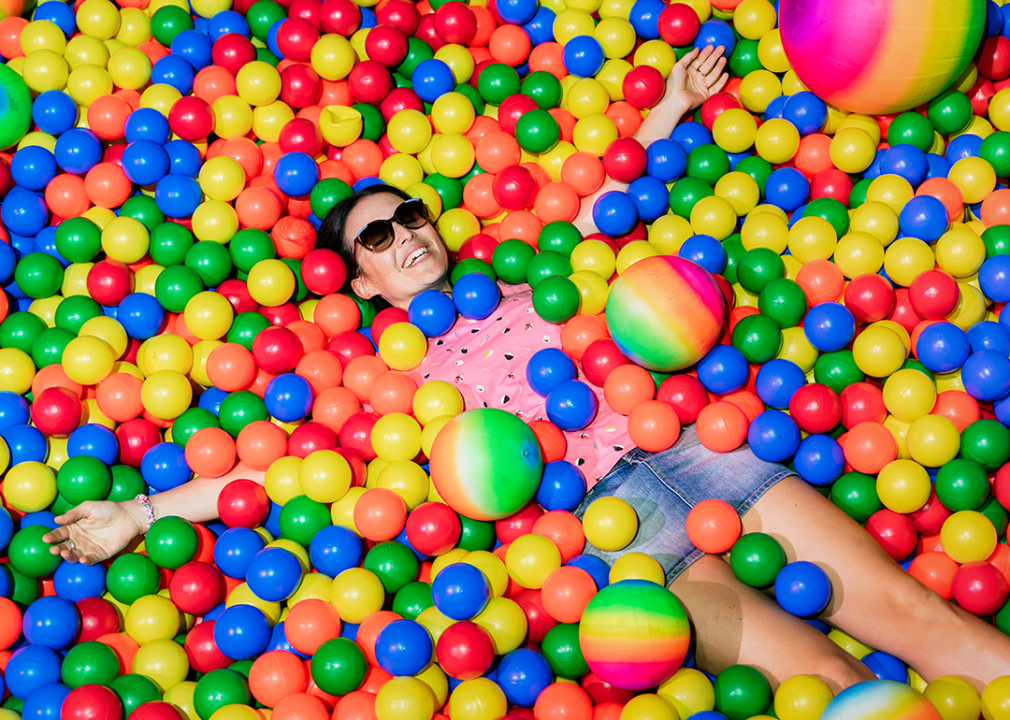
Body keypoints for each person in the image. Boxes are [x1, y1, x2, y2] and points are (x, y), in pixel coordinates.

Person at [43, 47, 1010, 692]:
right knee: (825, 694)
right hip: (613, 534)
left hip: (696, 447)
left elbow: (617, 195)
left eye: (410, 216)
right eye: (377, 235)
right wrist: (144, 512)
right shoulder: (392, 379)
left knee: (903, 610)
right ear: (366, 282)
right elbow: (295, 477)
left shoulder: (530, 272)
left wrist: (674, 102)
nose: (404, 234)